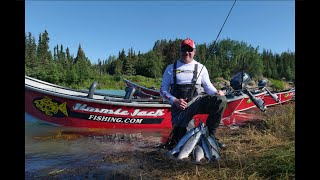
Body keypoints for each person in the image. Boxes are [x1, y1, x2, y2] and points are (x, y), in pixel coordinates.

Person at [160, 38, 227, 149]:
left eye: (190, 50)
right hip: (180, 107)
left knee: (221, 101)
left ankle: (211, 137)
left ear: (194, 51)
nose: (187, 52)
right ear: (180, 51)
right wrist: (175, 101)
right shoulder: (170, 68)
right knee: (183, 142)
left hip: (197, 102)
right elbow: (163, 90)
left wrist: (216, 92)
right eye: (184, 49)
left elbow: (208, 87)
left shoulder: (201, 67)